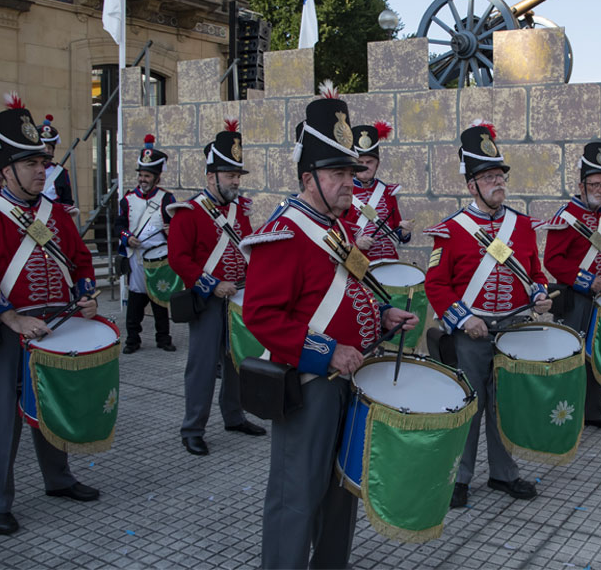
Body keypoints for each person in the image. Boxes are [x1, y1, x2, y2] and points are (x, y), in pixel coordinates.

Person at [241, 88, 418, 569]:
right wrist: (327, 352)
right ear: (309, 178)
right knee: (296, 495)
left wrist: (382, 316)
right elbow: (261, 315)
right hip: (310, 383)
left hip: (351, 380)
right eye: (337, 174)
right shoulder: (284, 232)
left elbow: (351, 290)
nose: (349, 184)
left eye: (350, 173)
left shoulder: (335, 226)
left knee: (342, 489)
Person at [0, 94, 100, 536]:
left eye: (43, 162)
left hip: (56, 326)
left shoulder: (55, 213)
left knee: (53, 402)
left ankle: (58, 479)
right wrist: (11, 319)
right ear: (7, 171)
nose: (42, 170)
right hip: (7, 331)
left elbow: (81, 261)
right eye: (30, 164)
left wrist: (86, 295)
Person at [423, 121, 551, 509]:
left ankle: (504, 473)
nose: (498, 183)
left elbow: (536, 273)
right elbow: (436, 285)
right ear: (471, 186)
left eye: (500, 176)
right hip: (471, 332)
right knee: (469, 405)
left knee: (505, 404)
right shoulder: (450, 231)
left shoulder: (522, 226)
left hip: (513, 329)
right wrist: (464, 320)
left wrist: (540, 293)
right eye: (489, 177)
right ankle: (459, 478)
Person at [167, 119, 265, 457]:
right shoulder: (189, 212)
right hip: (208, 300)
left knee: (237, 360)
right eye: (230, 175)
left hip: (239, 297)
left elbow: (246, 247)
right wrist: (211, 284)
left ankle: (234, 416)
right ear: (211, 177)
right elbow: (178, 258)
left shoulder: (240, 209)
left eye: (238, 175)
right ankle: (192, 428)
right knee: (203, 366)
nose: (236, 181)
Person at [543, 142, 601, 430]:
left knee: (596, 354)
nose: (600, 190)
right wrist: (585, 280)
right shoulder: (565, 218)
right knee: (571, 356)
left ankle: (593, 412)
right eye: (595, 184)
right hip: (575, 300)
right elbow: (552, 261)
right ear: (581, 185)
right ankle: (564, 414)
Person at [115, 134, 177, 354]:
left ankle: (164, 338)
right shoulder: (127, 199)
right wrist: (126, 237)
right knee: (135, 301)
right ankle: (132, 340)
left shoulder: (167, 199)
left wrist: (172, 231)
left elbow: (177, 226)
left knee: (160, 301)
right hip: (137, 257)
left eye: (147, 175)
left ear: (157, 178)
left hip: (160, 258)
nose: (142, 179)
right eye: (141, 175)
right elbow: (119, 225)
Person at [345, 120, 412, 263]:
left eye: (369, 162)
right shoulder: (344, 191)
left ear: (377, 164)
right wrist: (356, 242)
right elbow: (336, 232)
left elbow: (397, 232)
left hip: (389, 261)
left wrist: (404, 231)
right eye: (360, 162)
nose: (365, 166)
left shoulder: (387, 192)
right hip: (359, 265)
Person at [36, 114, 74, 206]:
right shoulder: (27, 170)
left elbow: (67, 201)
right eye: (43, 147)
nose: (47, 151)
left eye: (49, 148)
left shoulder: (61, 172)